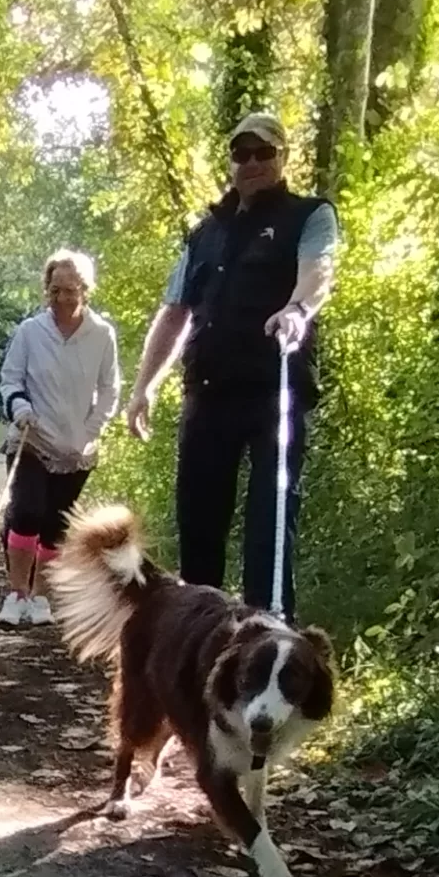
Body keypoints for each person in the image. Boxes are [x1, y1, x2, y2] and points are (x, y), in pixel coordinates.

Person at [124, 111, 337, 620]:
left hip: (273, 390)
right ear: (231, 161)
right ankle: (201, 642)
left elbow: (318, 272)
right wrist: (143, 386)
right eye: (242, 153)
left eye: (264, 152)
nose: (252, 162)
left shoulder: (309, 216)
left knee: (271, 522)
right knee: (198, 526)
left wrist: (297, 310)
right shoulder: (205, 233)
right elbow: (175, 311)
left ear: (283, 157)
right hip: (208, 390)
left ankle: (267, 637)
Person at [0, 250, 120, 625]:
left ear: (85, 290)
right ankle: (16, 593)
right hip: (31, 438)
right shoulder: (30, 332)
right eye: (55, 290)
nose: (62, 298)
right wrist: (20, 409)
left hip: (76, 446)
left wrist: (91, 429)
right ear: (45, 291)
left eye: (70, 290)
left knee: (56, 526)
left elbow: (110, 388)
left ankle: (41, 598)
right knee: (27, 511)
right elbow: (10, 379)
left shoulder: (102, 335)